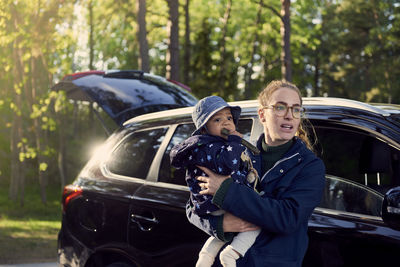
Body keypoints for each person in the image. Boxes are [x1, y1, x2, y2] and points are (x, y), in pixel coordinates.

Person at [187, 80, 326, 267]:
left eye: (296, 109)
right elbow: (191, 206)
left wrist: (226, 191)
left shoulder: (310, 166)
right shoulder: (236, 153)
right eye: (280, 107)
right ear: (262, 114)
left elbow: (287, 218)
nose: (289, 116)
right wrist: (219, 225)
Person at [170, 96, 261, 267]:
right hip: (216, 203)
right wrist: (234, 143)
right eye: (217, 119)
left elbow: (236, 170)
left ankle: (205, 257)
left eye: (229, 118)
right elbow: (227, 166)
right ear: (204, 130)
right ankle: (232, 254)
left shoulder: (214, 146)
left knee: (229, 231)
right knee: (256, 222)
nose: (226, 123)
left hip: (212, 205)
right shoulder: (208, 147)